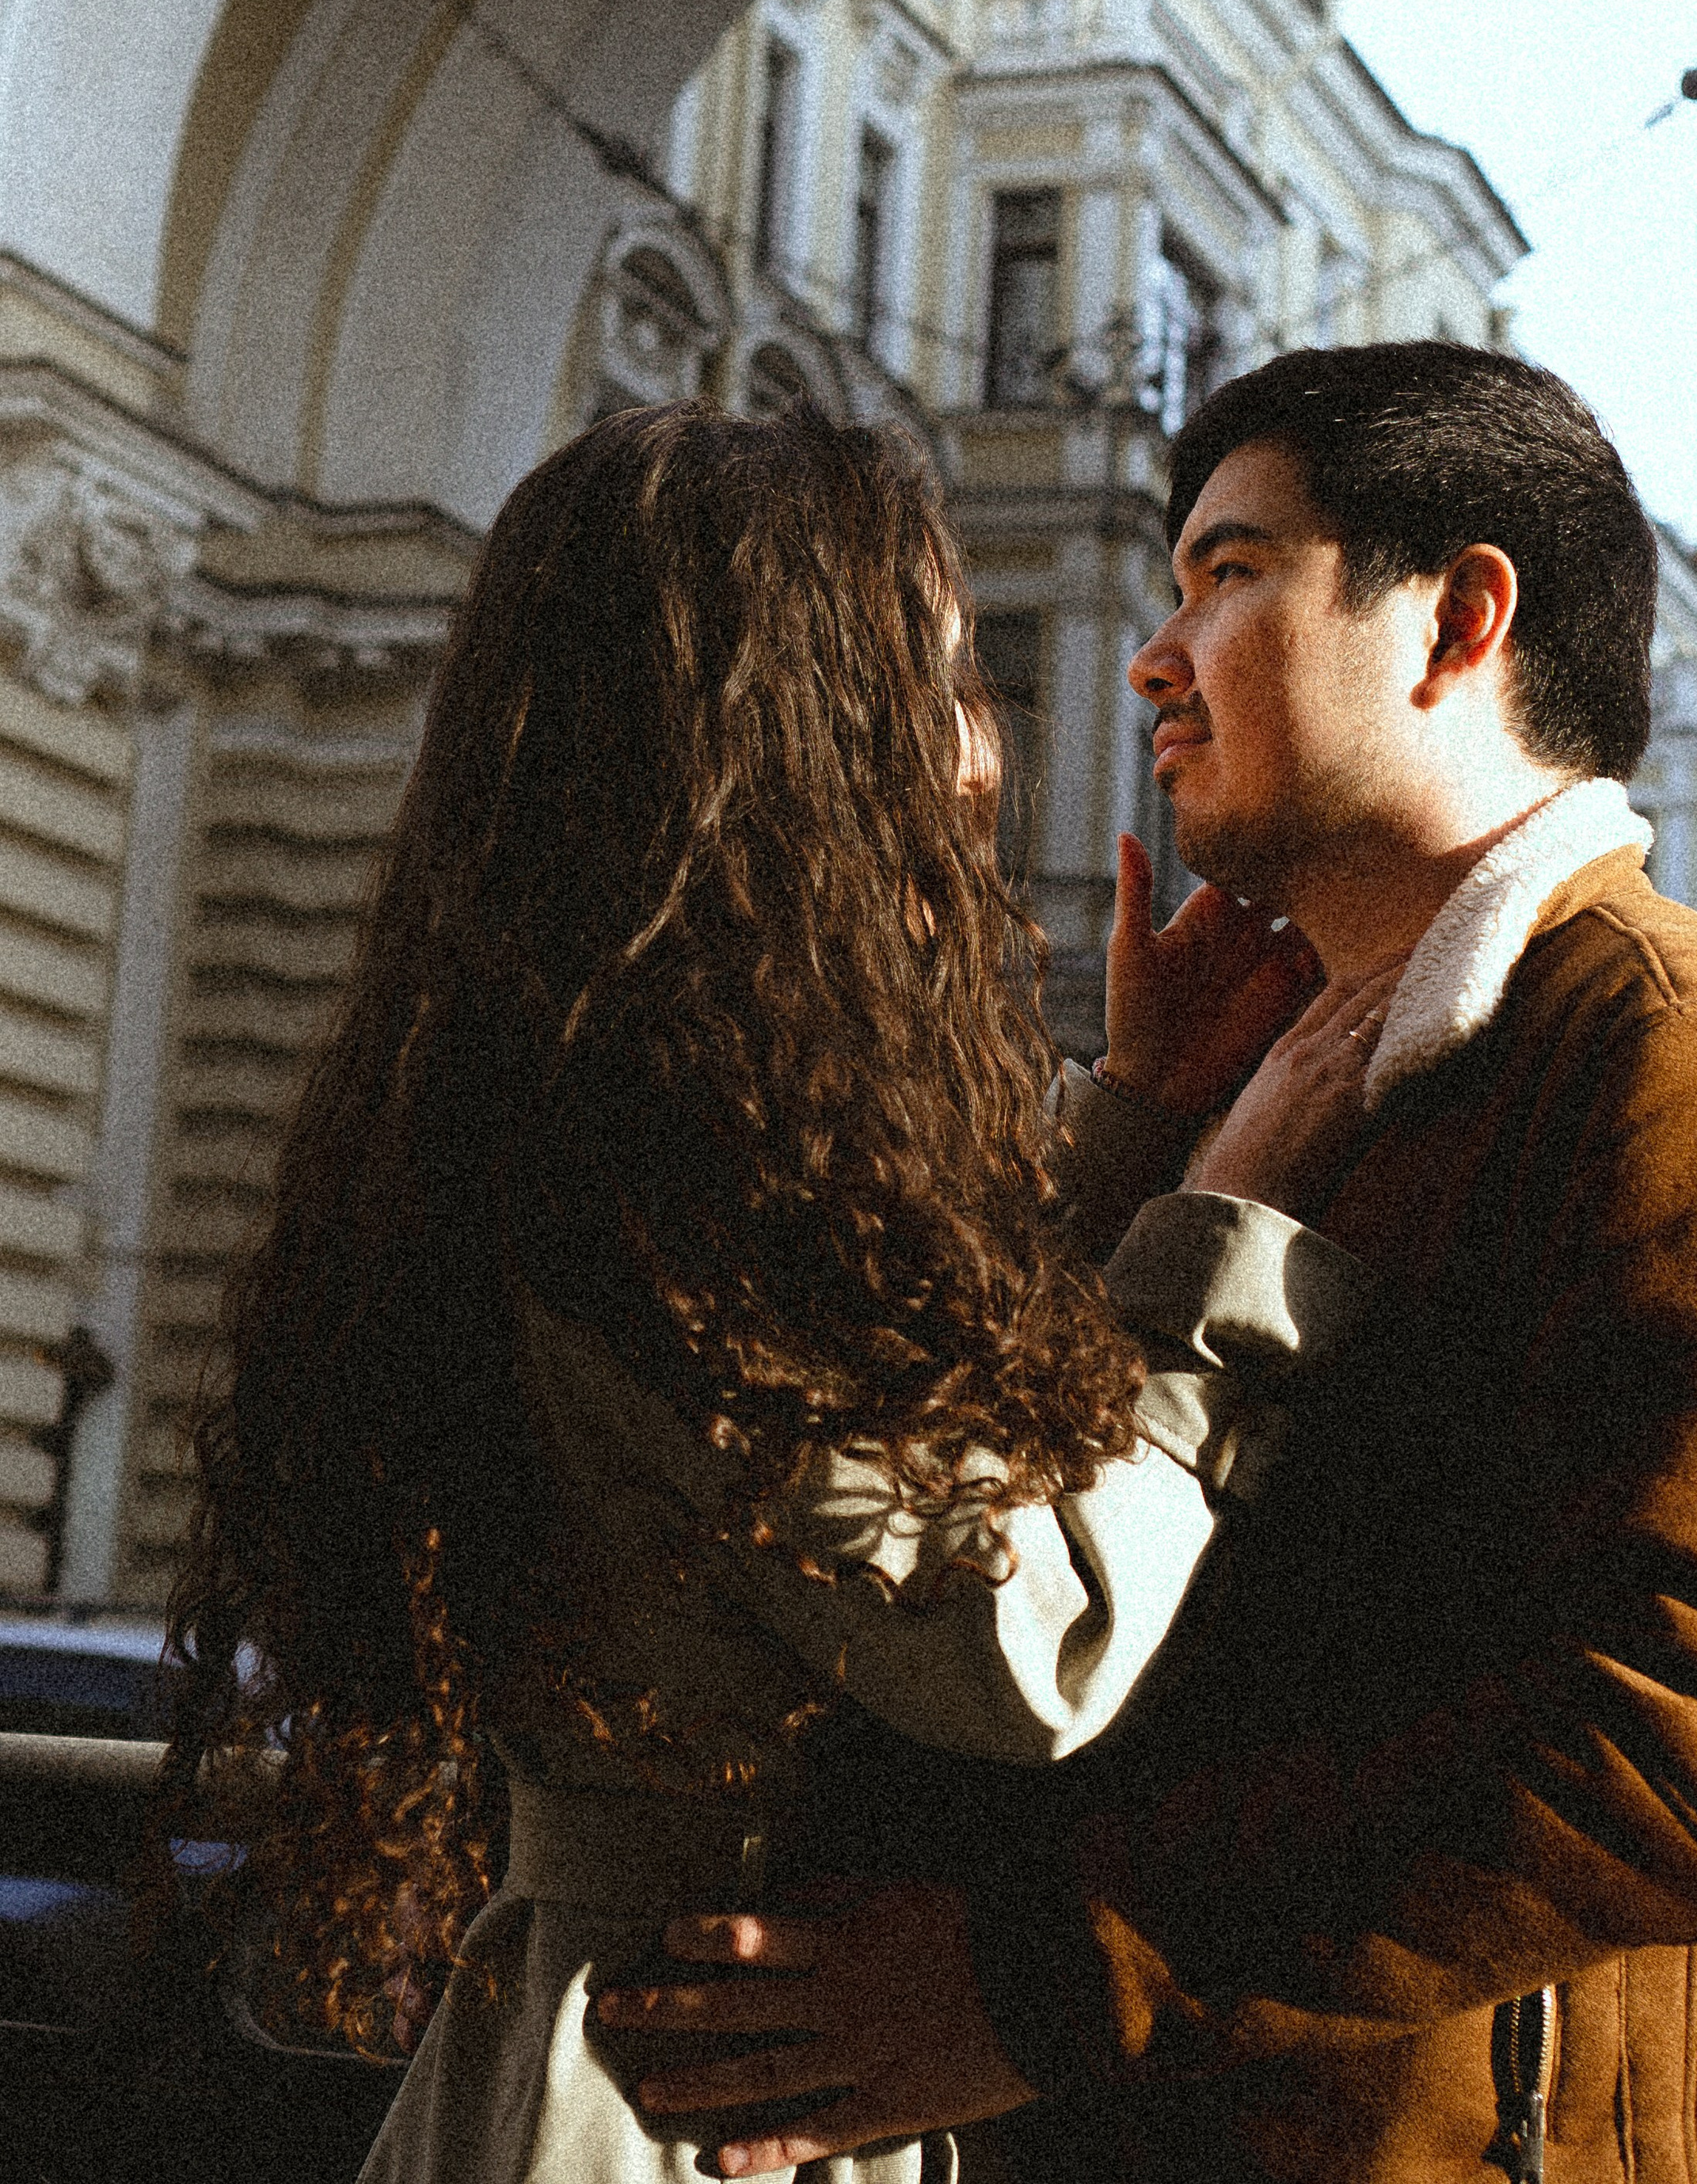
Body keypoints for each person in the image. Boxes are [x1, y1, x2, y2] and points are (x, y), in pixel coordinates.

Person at [605, 342, 1697, 2184]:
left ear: (1458, 621)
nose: (1152, 656)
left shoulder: (1685, 1055)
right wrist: (1142, 1127)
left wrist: (1042, 1980)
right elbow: (995, 1547)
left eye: (1228, 574)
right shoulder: (1300, 1075)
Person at [155, 400, 1383, 2184]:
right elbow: (1018, 1640)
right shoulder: (675, 1151)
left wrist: (1121, 1128)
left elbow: (857, 1427)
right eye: (951, 689)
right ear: (793, 731)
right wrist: (1231, 1213)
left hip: (635, 2050)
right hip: (693, 2091)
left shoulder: (589, 1087)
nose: (981, 759)